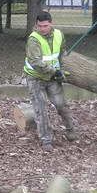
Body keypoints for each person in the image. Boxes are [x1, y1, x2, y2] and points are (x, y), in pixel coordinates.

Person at [24, 10, 78, 149]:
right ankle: (46, 139)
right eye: (40, 26)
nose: (42, 29)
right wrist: (55, 71)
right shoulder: (33, 39)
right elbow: (36, 62)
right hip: (35, 78)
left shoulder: (59, 35)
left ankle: (71, 130)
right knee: (40, 109)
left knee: (61, 105)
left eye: (45, 26)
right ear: (36, 25)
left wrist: (62, 70)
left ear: (51, 24)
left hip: (53, 78)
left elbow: (62, 54)